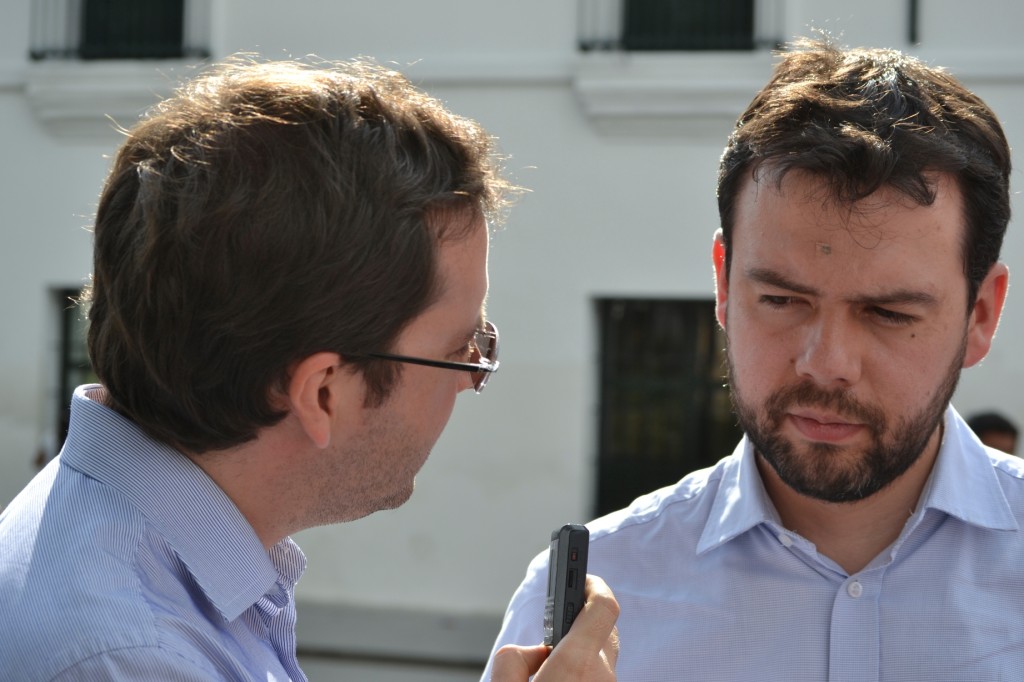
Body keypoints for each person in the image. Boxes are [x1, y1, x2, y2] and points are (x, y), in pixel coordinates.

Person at [0, 58, 618, 681]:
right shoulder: (138, 656)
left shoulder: (127, 543)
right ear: (323, 393)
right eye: (461, 351)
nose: (470, 377)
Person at [483, 37, 1024, 680]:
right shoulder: (593, 603)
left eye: (889, 314)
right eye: (781, 299)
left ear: (981, 316)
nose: (826, 364)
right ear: (722, 284)